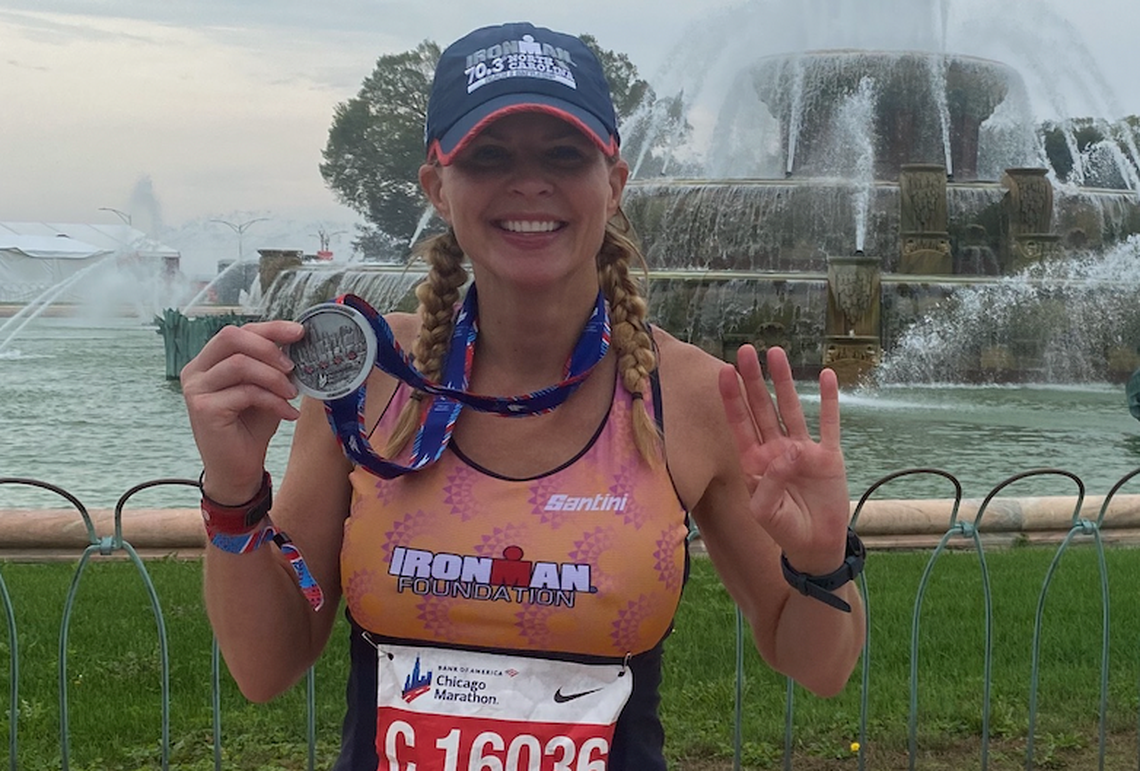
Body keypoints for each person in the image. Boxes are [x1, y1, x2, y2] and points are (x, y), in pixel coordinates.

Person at [180, 21, 864, 770]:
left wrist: (823, 559)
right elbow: (266, 666)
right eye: (490, 156)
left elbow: (819, 667)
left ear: (614, 183)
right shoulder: (368, 376)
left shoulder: (691, 395)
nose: (529, 183)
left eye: (564, 155)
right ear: (438, 188)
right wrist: (233, 491)